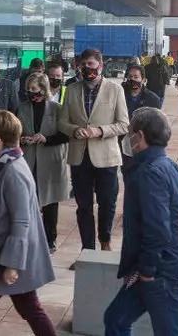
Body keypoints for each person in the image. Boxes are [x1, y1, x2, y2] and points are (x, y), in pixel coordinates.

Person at [103, 107, 178, 336]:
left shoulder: (150, 172)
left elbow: (159, 229)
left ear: (140, 137)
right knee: (116, 319)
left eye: (130, 133)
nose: (128, 139)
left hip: (162, 270)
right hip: (154, 265)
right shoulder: (169, 166)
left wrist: (146, 271)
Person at [0, 110, 57, 336]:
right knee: (26, 306)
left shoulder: (13, 171)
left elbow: (21, 221)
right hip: (0, 249)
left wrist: (12, 264)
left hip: (8, 254)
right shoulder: (2, 164)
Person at [58, 48, 130, 252]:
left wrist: (100, 130)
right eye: (84, 65)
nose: (87, 68)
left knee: (107, 203)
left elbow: (124, 124)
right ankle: (87, 248)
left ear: (101, 66)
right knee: (83, 206)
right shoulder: (71, 89)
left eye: (91, 64)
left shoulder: (115, 90)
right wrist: (75, 130)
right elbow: (62, 122)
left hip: (106, 157)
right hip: (80, 157)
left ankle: (105, 241)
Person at [18, 73, 71, 253]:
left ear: (43, 89)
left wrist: (46, 138)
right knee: (27, 199)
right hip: (29, 158)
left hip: (50, 159)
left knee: (50, 201)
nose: (31, 93)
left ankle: (50, 239)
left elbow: (65, 135)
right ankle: (29, 237)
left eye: (34, 89)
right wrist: (22, 139)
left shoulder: (57, 109)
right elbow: (14, 132)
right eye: (29, 89)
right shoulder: (22, 108)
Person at [120, 65, 161, 179]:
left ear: (143, 80)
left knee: (144, 176)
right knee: (127, 175)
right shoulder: (119, 95)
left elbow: (155, 125)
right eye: (130, 77)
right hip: (123, 143)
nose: (133, 80)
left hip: (143, 144)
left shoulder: (153, 99)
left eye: (136, 77)